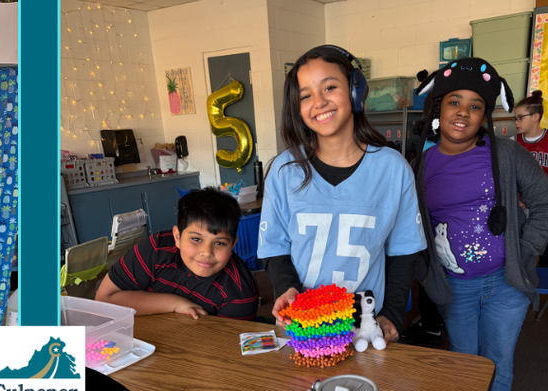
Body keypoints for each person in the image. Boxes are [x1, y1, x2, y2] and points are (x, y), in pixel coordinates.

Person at [412, 59, 548, 391]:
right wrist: (427, 274)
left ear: (485, 115)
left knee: (498, 369)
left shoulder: (506, 154)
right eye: (455, 101)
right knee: (463, 370)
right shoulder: (421, 165)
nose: (463, 112)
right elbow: (410, 229)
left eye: (475, 105)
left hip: (505, 284)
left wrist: (525, 252)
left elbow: (544, 202)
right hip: (456, 289)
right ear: (439, 107)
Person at [259, 45, 425, 343]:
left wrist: (393, 314)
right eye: (305, 95)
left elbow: (403, 252)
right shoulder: (284, 170)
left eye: (330, 87)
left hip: (365, 323)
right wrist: (288, 287)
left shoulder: (393, 168)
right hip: (305, 324)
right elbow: (274, 248)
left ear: (355, 91)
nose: (319, 102)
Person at [94, 188, 259, 319]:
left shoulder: (239, 292)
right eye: (196, 239)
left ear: (233, 245)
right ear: (177, 237)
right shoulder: (155, 250)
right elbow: (104, 300)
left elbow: (231, 348)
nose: (206, 253)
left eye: (219, 243)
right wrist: (176, 304)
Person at [514, 91, 548, 175]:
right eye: (515, 119)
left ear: (535, 117)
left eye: (520, 117)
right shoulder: (513, 142)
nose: (516, 122)